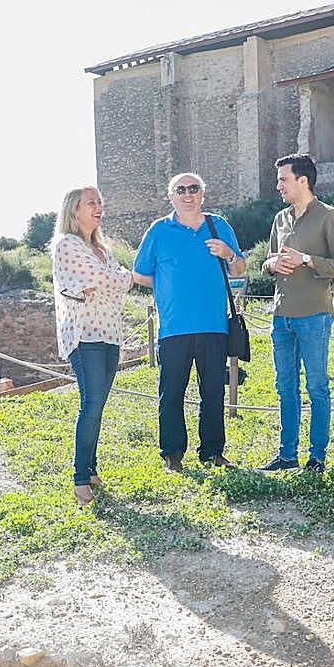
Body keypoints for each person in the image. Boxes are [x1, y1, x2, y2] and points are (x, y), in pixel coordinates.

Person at [134, 173, 246, 472]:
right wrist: (168, 286)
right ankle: (172, 454)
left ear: (202, 194)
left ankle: (213, 452)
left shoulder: (218, 226)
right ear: (171, 196)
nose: (187, 194)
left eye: (193, 188)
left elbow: (239, 269)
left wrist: (228, 254)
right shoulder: (159, 230)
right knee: (171, 393)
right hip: (174, 327)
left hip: (214, 326)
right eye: (180, 189)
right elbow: (140, 274)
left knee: (213, 392)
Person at [255, 154, 334, 476]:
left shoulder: (329, 217)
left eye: (283, 179)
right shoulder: (279, 219)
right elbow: (267, 261)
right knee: (285, 387)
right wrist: (272, 264)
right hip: (280, 316)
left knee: (317, 387)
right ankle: (287, 455)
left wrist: (307, 259)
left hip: (314, 316)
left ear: (303, 180)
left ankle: (317, 458)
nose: (278, 186)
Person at [51, 186, 134, 506]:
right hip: (84, 335)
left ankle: (91, 469)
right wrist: (112, 279)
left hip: (110, 333)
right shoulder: (67, 244)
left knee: (98, 405)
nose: (98, 207)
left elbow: (121, 281)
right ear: (74, 210)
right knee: (91, 403)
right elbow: (103, 279)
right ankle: (80, 479)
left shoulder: (101, 248)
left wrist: (112, 280)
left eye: (100, 202)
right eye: (90, 203)